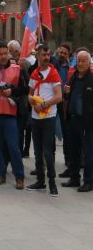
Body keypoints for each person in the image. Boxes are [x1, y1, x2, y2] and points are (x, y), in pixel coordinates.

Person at [0, 42, 29, 189]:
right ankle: (0, 174)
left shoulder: (18, 69)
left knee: (13, 146)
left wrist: (12, 91)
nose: (3, 56)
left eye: (5, 53)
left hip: (11, 113)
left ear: (8, 54)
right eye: (0, 54)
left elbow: (25, 88)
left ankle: (19, 176)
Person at [25, 44, 62, 196]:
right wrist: (33, 103)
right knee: (38, 151)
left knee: (47, 151)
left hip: (48, 117)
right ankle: (40, 181)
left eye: (48, 55)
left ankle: (52, 183)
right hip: (36, 117)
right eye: (43, 55)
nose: (46, 57)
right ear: (38, 56)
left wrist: (44, 104)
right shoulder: (34, 74)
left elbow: (59, 96)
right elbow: (29, 95)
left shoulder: (53, 73)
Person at [64, 50, 93, 191]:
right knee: (73, 151)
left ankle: (89, 181)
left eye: (83, 61)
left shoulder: (91, 79)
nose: (80, 63)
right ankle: (74, 178)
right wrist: (66, 93)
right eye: (78, 60)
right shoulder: (74, 76)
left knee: (88, 153)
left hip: (86, 122)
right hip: (73, 119)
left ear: (89, 62)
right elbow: (68, 97)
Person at [55, 43, 72, 177]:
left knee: (66, 132)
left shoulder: (71, 68)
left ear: (68, 55)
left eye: (65, 53)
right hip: (52, 101)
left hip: (65, 103)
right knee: (50, 131)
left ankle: (68, 159)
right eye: (61, 52)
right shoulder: (54, 64)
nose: (62, 55)